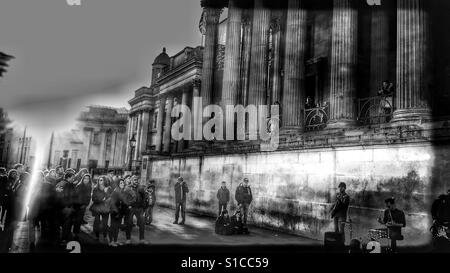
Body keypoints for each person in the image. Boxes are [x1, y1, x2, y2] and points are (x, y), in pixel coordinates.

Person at [124, 175, 148, 244]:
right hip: (131, 208)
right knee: (129, 223)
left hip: (139, 208)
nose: (136, 181)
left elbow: (144, 198)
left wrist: (144, 208)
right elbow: (125, 198)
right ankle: (128, 239)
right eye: (134, 180)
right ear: (131, 180)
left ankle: (142, 239)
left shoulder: (141, 188)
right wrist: (128, 206)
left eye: (137, 179)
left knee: (142, 223)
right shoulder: (128, 188)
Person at [90, 176, 111, 242]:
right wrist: (101, 199)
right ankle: (97, 235)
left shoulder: (109, 188)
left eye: (102, 180)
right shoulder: (95, 188)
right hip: (97, 207)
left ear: (105, 181)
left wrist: (105, 192)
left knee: (105, 223)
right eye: (99, 180)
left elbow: (110, 198)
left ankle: (105, 235)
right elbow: (93, 199)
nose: (100, 181)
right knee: (97, 222)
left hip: (105, 208)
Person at [109, 178, 128, 246]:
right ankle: (111, 241)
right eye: (121, 183)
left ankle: (115, 240)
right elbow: (112, 203)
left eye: (123, 183)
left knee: (117, 227)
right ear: (118, 184)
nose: (122, 184)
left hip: (120, 212)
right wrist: (116, 212)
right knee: (113, 227)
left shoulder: (122, 191)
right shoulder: (115, 191)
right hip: (115, 212)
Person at [72, 174, 92, 239]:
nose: (86, 180)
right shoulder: (79, 186)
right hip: (77, 205)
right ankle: (75, 232)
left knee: (80, 219)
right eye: (85, 178)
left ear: (89, 180)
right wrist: (80, 204)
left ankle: (76, 231)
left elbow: (88, 197)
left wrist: (85, 204)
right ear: (82, 179)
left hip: (83, 205)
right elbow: (76, 196)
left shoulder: (89, 187)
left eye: (87, 179)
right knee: (77, 219)